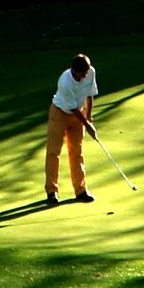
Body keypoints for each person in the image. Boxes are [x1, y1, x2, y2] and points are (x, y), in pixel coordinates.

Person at [45, 52, 98, 204]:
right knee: (54, 151)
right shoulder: (65, 82)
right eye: (83, 73)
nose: (85, 75)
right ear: (74, 71)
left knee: (77, 151)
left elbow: (89, 95)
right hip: (59, 113)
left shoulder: (90, 73)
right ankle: (52, 191)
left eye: (87, 72)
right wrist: (87, 125)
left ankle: (81, 190)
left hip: (78, 114)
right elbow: (73, 108)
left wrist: (88, 118)